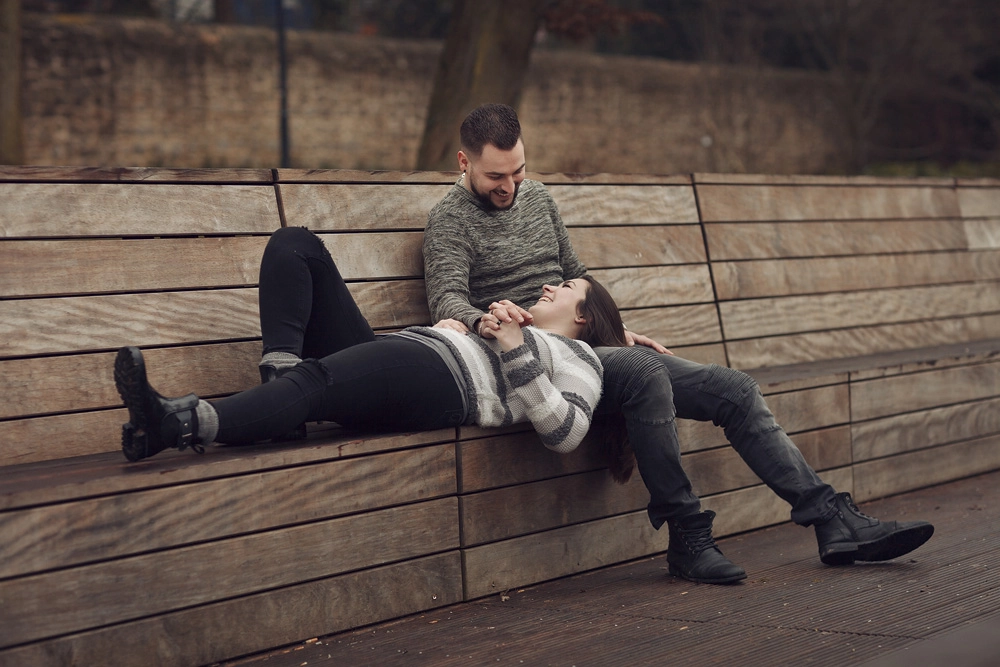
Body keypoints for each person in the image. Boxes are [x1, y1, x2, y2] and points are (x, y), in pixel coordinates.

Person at [422, 103, 935, 585]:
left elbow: (577, 276)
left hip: (588, 345)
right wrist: (493, 318)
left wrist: (612, 330)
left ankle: (832, 518)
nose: (510, 185)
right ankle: (688, 535)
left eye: (519, 171)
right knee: (645, 375)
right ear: (464, 161)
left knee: (733, 388)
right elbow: (447, 300)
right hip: (533, 360)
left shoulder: (538, 199)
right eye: (496, 176)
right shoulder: (450, 218)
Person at [114, 227, 625, 463]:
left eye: (565, 288)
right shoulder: (523, 327)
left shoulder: (581, 360)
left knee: (314, 383)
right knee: (297, 246)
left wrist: (512, 346)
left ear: (583, 314)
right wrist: (467, 328)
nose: (549, 287)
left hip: (442, 383)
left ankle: (177, 424)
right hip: (422, 355)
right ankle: (279, 388)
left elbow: (567, 433)